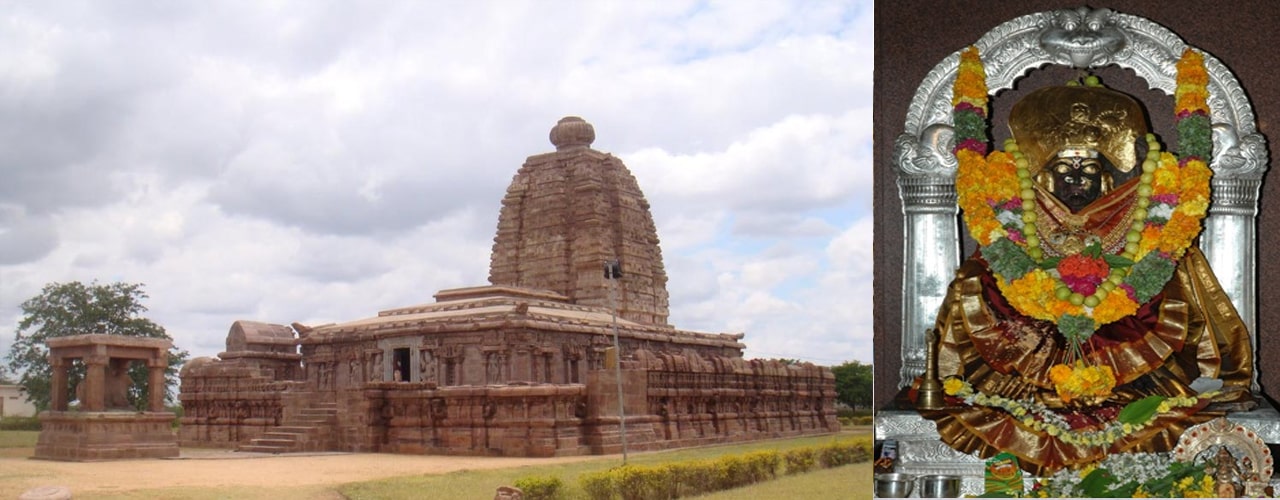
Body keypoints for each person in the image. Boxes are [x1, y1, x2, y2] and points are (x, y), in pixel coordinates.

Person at [924, 82, 1254, 475]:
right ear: (1044, 177)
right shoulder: (1014, 223)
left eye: (1088, 169)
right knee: (979, 272)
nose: (1076, 179)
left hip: (1130, 373)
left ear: (1108, 178)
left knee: (1170, 266)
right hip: (1024, 373)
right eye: (1063, 169)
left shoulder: (1141, 224)